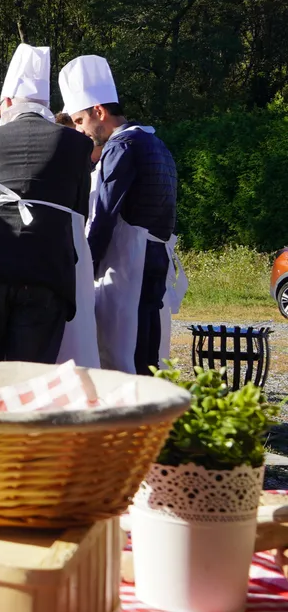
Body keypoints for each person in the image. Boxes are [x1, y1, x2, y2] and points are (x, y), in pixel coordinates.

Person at [0, 44, 94, 364]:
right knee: (31, 380)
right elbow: (80, 214)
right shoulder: (78, 145)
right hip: (46, 270)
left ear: (8, 102)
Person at [60, 55, 181, 374]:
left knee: (120, 354)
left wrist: (87, 265)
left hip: (128, 265)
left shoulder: (121, 147)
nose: (78, 130)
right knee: (149, 353)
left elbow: (104, 213)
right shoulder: (156, 143)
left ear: (98, 112)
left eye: (78, 121)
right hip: (157, 258)